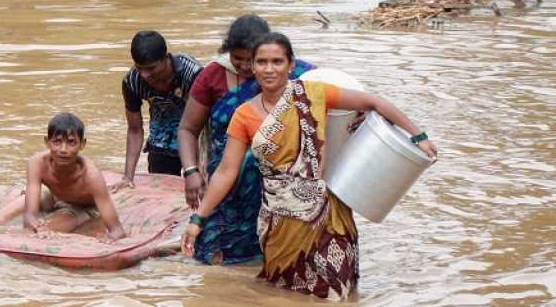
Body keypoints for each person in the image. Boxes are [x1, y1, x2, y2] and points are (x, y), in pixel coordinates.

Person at [182, 32, 437, 300]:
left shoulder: (314, 95)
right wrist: (197, 220)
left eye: (277, 62)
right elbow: (226, 172)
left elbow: (373, 101)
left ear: (291, 65)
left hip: (327, 217)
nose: (269, 69)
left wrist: (418, 136)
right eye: (262, 62)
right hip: (279, 224)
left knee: (336, 292)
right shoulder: (244, 115)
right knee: (285, 293)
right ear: (253, 66)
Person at [176, 15, 314, 265]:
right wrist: (191, 171)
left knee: (277, 257)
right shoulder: (213, 76)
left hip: (278, 188)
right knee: (212, 256)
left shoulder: (299, 74)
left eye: (249, 60)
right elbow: (187, 128)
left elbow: (338, 101)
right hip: (226, 186)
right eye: (235, 58)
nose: (242, 66)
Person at [0, 113, 126, 242]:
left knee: (45, 233)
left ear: (82, 144)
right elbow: (30, 216)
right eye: (57, 142)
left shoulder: (91, 175)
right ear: (47, 142)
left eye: (71, 142)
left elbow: (117, 230)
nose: (63, 150)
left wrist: (110, 238)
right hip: (53, 196)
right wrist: (33, 223)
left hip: (81, 207)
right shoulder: (37, 163)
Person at [115, 30, 203, 190]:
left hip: (195, 136)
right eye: (139, 68)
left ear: (166, 58)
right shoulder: (133, 81)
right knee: (161, 192)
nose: (145, 75)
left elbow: (201, 124)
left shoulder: (192, 74)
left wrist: (195, 170)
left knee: (200, 189)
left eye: (151, 68)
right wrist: (128, 177)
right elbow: (135, 130)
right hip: (161, 141)